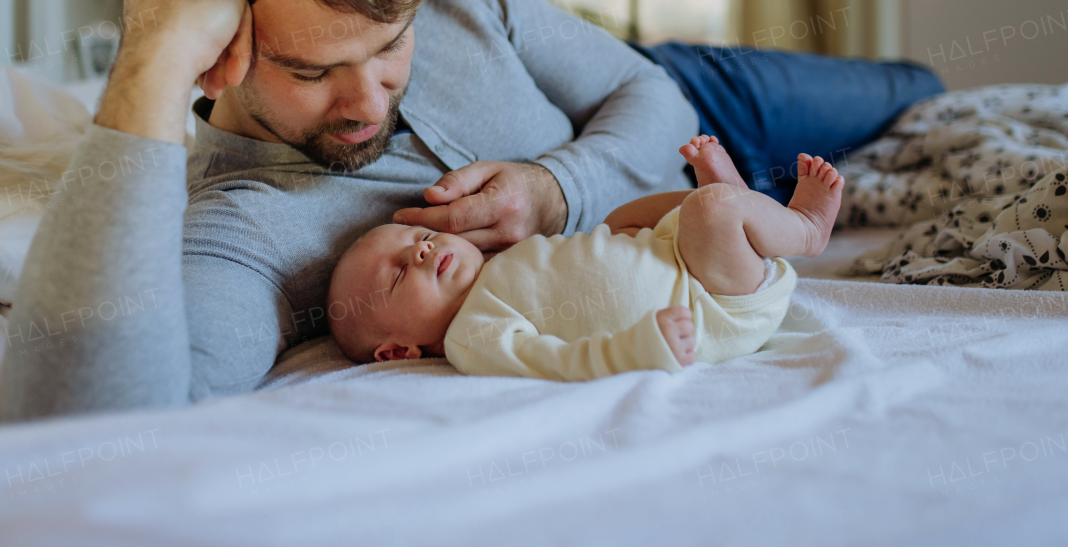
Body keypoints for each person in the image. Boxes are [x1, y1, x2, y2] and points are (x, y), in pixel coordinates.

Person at [0, 0, 939, 421]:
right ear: (220, 51)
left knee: (917, 92)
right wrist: (146, 63)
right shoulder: (242, 234)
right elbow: (84, 421)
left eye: (390, 46)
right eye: (314, 69)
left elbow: (652, 96)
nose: (368, 99)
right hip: (713, 234)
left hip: (696, 98)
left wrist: (552, 188)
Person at [325, 136, 841, 379]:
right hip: (712, 303)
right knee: (709, 209)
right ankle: (804, 228)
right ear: (397, 353)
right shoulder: (471, 336)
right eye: (397, 274)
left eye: (422, 238)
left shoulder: (497, 265)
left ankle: (729, 206)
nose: (422, 249)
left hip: (675, 258)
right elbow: (556, 361)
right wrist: (635, 350)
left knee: (623, 218)